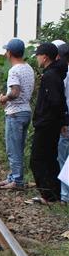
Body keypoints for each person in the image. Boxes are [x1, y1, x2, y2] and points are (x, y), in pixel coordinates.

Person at [27, 43, 68, 204]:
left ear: (45, 57)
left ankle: (47, 195)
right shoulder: (55, 74)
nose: (37, 58)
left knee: (37, 159)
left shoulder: (50, 76)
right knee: (50, 159)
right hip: (51, 123)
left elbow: (56, 101)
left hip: (47, 124)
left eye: (38, 55)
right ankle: (54, 194)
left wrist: (48, 118)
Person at [0, 38, 35, 190]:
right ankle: (12, 177)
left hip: (15, 113)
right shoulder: (28, 68)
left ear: (10, 53)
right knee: (19, 146)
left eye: (6, 51)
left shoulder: (14, 70)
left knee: (13, 149)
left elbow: (15, 92)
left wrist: (4, 98)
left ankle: (17, 180)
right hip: (26, 111)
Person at [57, 43, 69, 204]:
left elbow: (62, 99)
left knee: (64, 157)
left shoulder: (65, 75)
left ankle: (65, 195)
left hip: (67, 120)